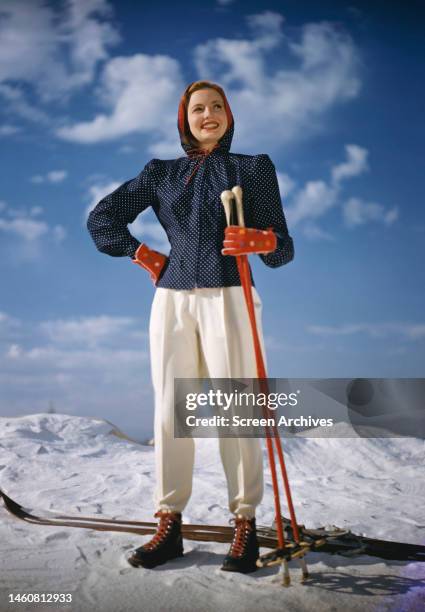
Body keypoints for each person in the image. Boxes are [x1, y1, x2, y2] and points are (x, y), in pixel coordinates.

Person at [87, 80, 294, 574]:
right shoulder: (160, 173)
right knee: (169, 413)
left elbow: (283, 250)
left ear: (229, 115)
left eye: (217, 106)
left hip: (232, 298)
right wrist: (143, 254)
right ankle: (169, 523)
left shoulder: (253, 168)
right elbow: (102, 220)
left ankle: (244, 525)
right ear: (185, 118)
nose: (209, 114)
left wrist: (261, 239)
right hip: (172, 301)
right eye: (198, 108)